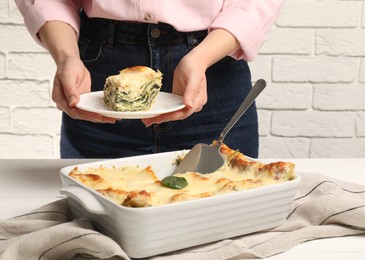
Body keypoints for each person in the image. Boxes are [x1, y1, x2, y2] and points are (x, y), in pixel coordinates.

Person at [15, 1, 284, 159]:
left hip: (213, 69)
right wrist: (66, 56)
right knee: (94, 232)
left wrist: (201, 58)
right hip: (99, 76)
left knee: (226, 222)